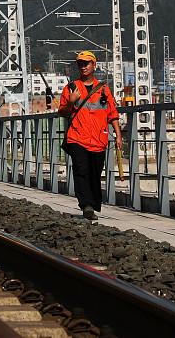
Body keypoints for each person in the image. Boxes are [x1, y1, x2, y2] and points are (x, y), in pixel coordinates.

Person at [58, 50, 122, 221]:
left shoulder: (103, 90)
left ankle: (92, 204)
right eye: (80, 63)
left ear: (94, 65)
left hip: (98, 139)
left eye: (86, 63)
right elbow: (62, 112)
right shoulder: (71, 88)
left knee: (94, 173)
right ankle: (86, 205)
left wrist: (118, 135)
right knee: (81, 170)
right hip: (77, 137)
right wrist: (71, 101)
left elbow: (112, 113)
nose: (83, 66)